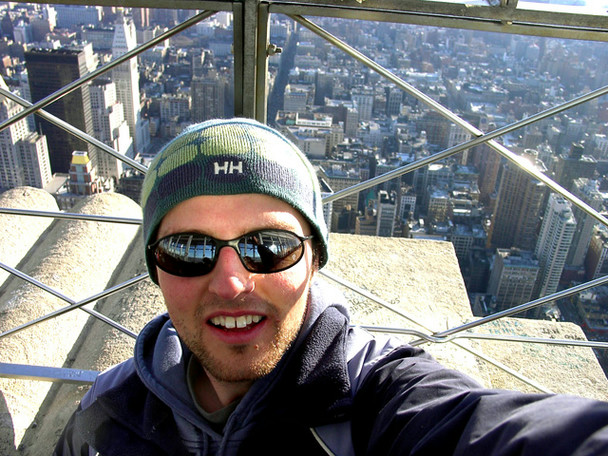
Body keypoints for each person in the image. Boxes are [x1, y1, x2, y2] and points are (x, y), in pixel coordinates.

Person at [55, 118, 608, 456]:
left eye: (269, 246)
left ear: (315, 258)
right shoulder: (106, 414)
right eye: (189, 249)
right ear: (156, 267)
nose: (229, 282)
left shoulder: (377, 405)